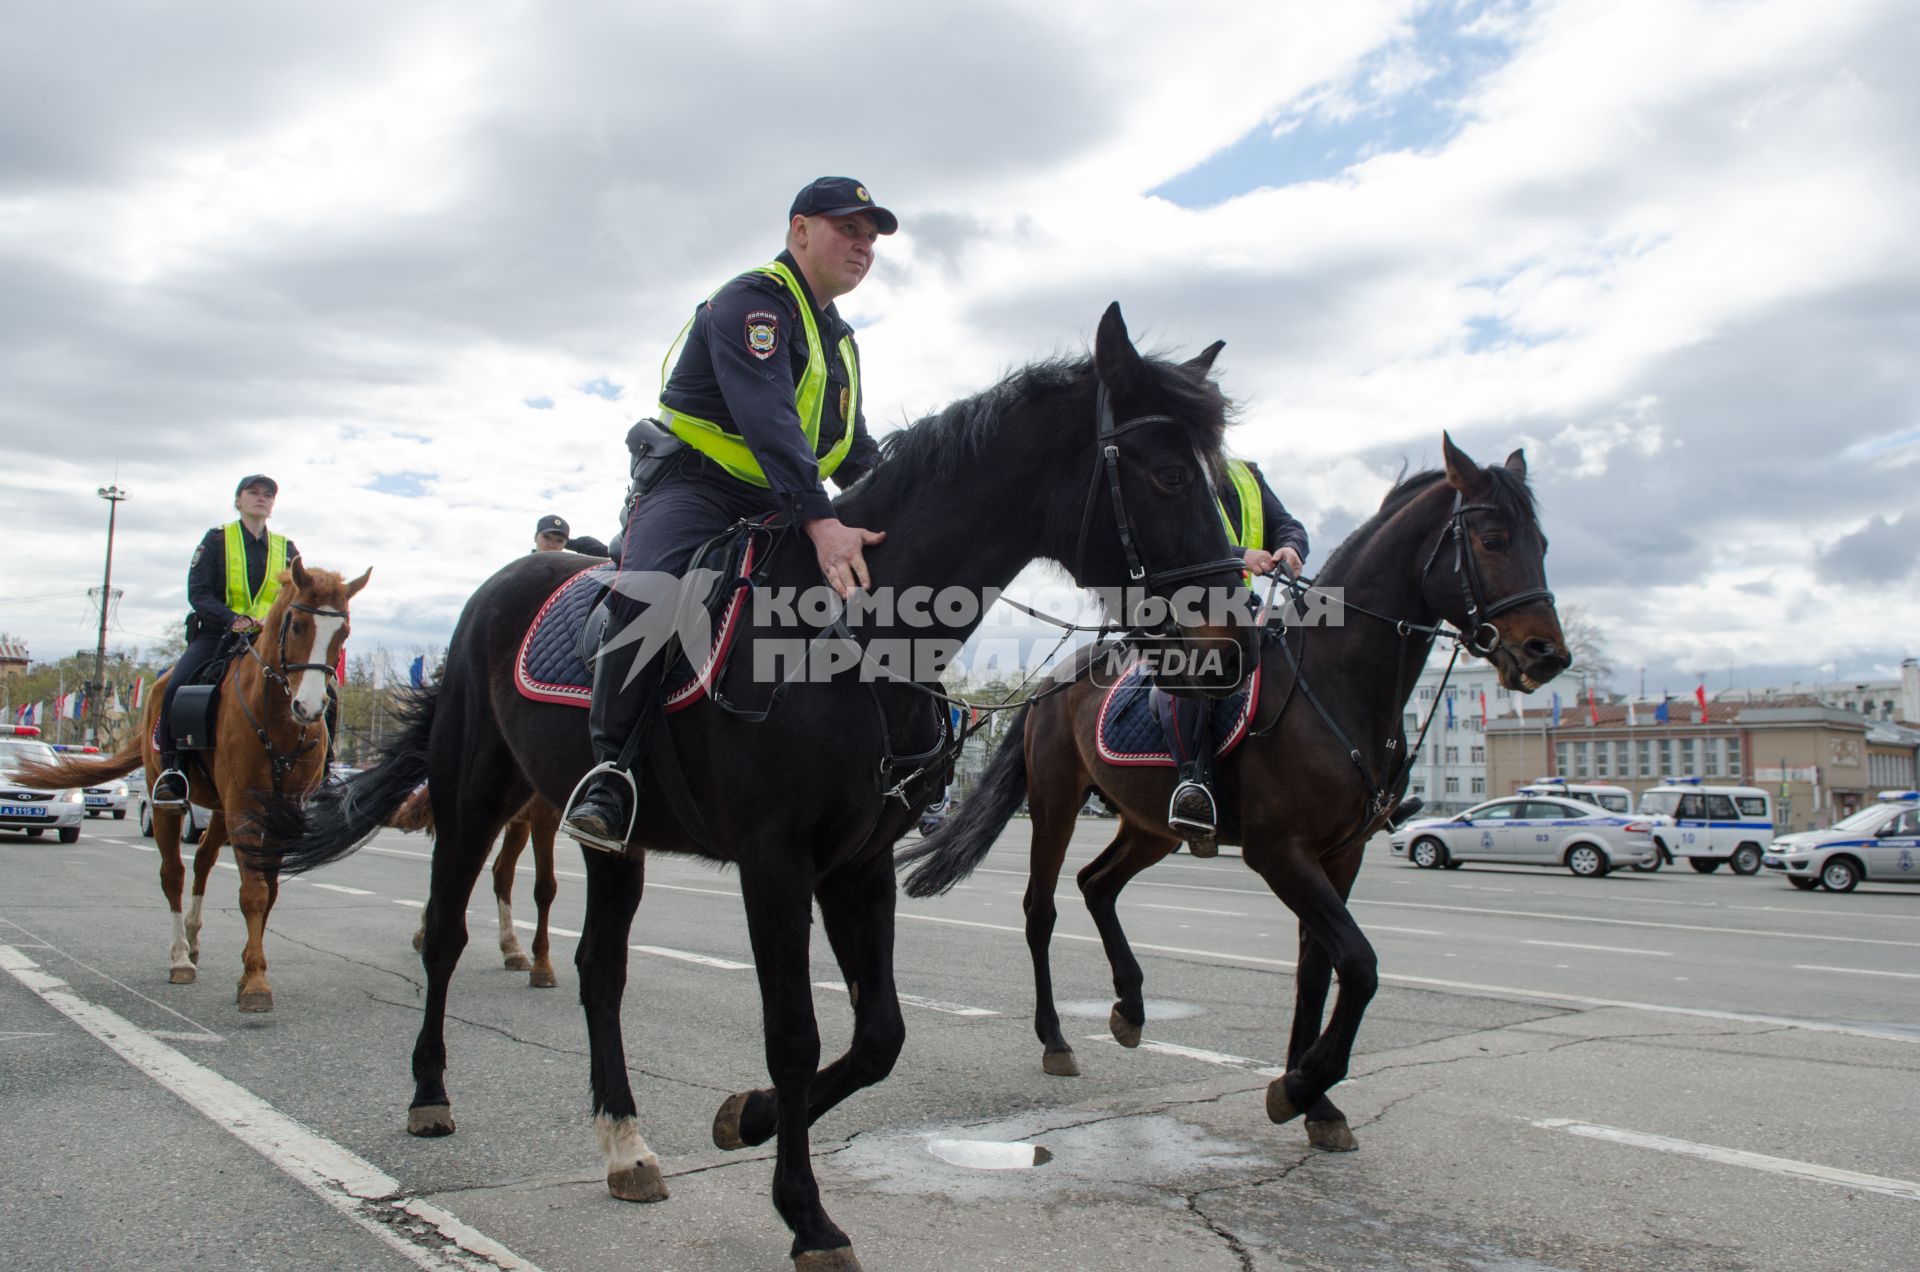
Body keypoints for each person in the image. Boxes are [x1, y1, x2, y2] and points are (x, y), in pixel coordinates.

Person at [561, 177, 895, 853]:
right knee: (648, 594)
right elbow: (768, 419)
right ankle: (611, 774)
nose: (862, 246)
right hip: (694, 491)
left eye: (870, 237)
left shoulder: (839, 337)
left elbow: (851, 447)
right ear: (800, 229)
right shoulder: (754, 303)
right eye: (847, 229)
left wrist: (897, 504)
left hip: (779, 501)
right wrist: (822, 519)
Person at [1165, 457, 1307, 853]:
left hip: (1246, 603)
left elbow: (1287, 524)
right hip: (1188, 600)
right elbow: (1173, 538)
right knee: (1204, 669)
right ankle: (1193, 782)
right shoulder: (1172, 471)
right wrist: (1240, 554)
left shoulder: (1247, 474)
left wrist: (1289, 547)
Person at [152, 475, 300, 807]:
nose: (261, 498)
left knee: (322, 690)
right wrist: (232, 618)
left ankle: (323, 769)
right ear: (238, 501)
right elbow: (198, 592)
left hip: (268, 639)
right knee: (178, 685)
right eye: (253, 493)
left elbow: (298, 594)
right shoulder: (217, 539)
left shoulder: (287, 548)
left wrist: (272, 619)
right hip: (218, 634)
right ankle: (173, 770)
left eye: (268, 495)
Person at [532, 514, 610, 558]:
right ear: (535, 538)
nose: (552, 545)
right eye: (547, 537)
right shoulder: (521, 567)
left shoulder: (566, 571)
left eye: (559, 540)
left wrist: (569, 544)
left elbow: (605, 553)